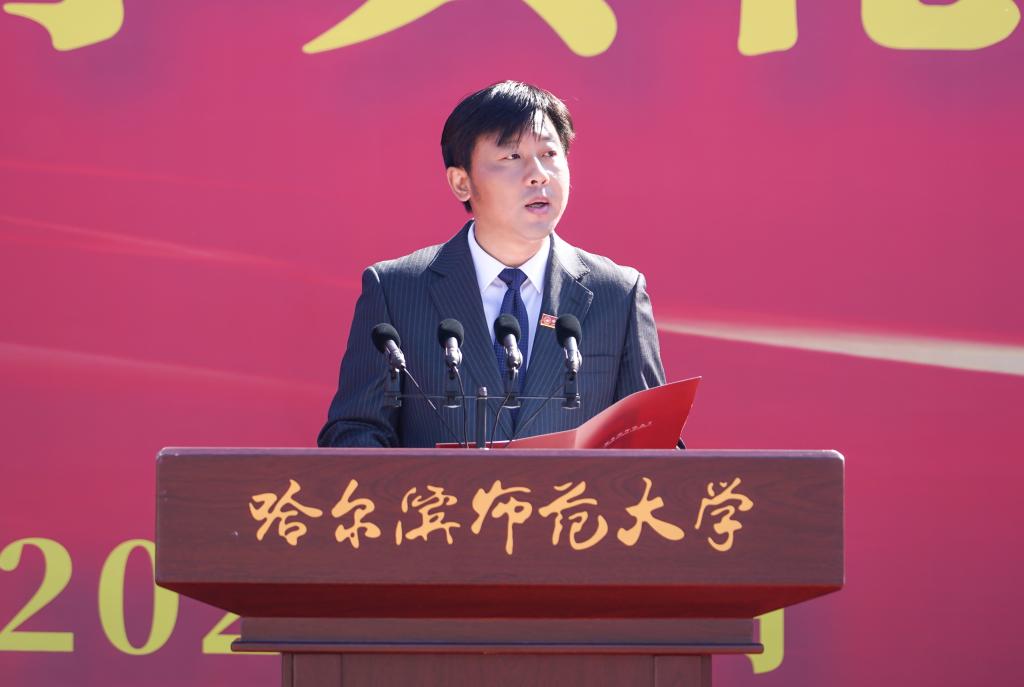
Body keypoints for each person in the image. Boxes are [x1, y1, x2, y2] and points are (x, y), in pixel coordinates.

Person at [317, 81, 666, 448]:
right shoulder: (396, 289)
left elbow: (653, 443)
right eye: (511, 157)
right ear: (461, 182)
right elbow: (356, 432)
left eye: (549, 154)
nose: (538, 174)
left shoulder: (617, 294)